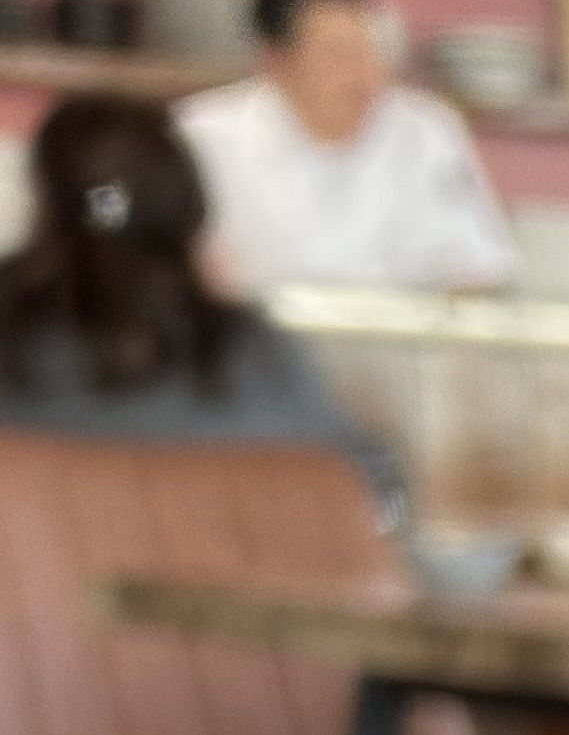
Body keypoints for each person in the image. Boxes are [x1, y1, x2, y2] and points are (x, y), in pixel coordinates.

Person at [0, 94, 390, 483]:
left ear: (43, 204)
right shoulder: (257, 359)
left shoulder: (20, 360)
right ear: (190, 208)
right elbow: (370, 486)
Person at [175, 0, 516, 295]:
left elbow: (480, 268)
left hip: (397, 333)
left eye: (370, 50)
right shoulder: (203, 136)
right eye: (336, 54)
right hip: (249, 334)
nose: (363, 75)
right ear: (276, 62)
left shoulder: (425, 130)